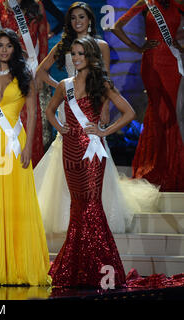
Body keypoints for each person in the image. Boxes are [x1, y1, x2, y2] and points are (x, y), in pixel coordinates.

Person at [35, 1, 160, 234]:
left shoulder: (101, 45)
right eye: (72, 18)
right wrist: (61, 89)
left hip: (92, 105)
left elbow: (106, 78)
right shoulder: (65, 46)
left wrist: (103, 107)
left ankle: (95, 211)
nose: (77, 22)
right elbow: (41, 71)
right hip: (69, 105)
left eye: (81, 17)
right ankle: (64, 215)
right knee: (66, 155)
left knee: (94, 152)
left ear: (90, 19)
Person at [46, 36, 136, 287]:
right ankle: (78, 266)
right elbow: (49, 111)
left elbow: (129, 112)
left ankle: (101, 268)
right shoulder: (64, 85)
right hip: (70, 148)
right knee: (77, 207)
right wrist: (60, 128)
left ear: (91, 56)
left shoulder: (102, 83)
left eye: (81, 54)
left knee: (92, 206)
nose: (76, 58)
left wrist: (105, 131)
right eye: (73, 54)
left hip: (93, 152)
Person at [0, 29, 50, 286]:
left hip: (15, 142)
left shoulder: (24, 76)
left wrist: (29, 148)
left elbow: (33, 113)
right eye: (0, 46)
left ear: (14, 49)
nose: (4, 50)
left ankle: (18, 264)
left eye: (8, 46)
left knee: (17, 199)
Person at [112, 0, 184, 192]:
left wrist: (180, 44)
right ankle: (157, 167)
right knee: (159, 115)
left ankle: (175, 169)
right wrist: (136, 47)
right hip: (152, 62)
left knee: (174, 114)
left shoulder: (178, 3)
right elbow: (117, 27)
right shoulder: (146, 2)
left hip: (172, 62)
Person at [0, 0, 48, 168]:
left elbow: (43, 40)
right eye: (0, 46)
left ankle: (33, 175)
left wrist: (41, 72)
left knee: (32, 124)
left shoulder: (36, 4)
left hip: (31, 70)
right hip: (6, 69)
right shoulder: (2, 6)